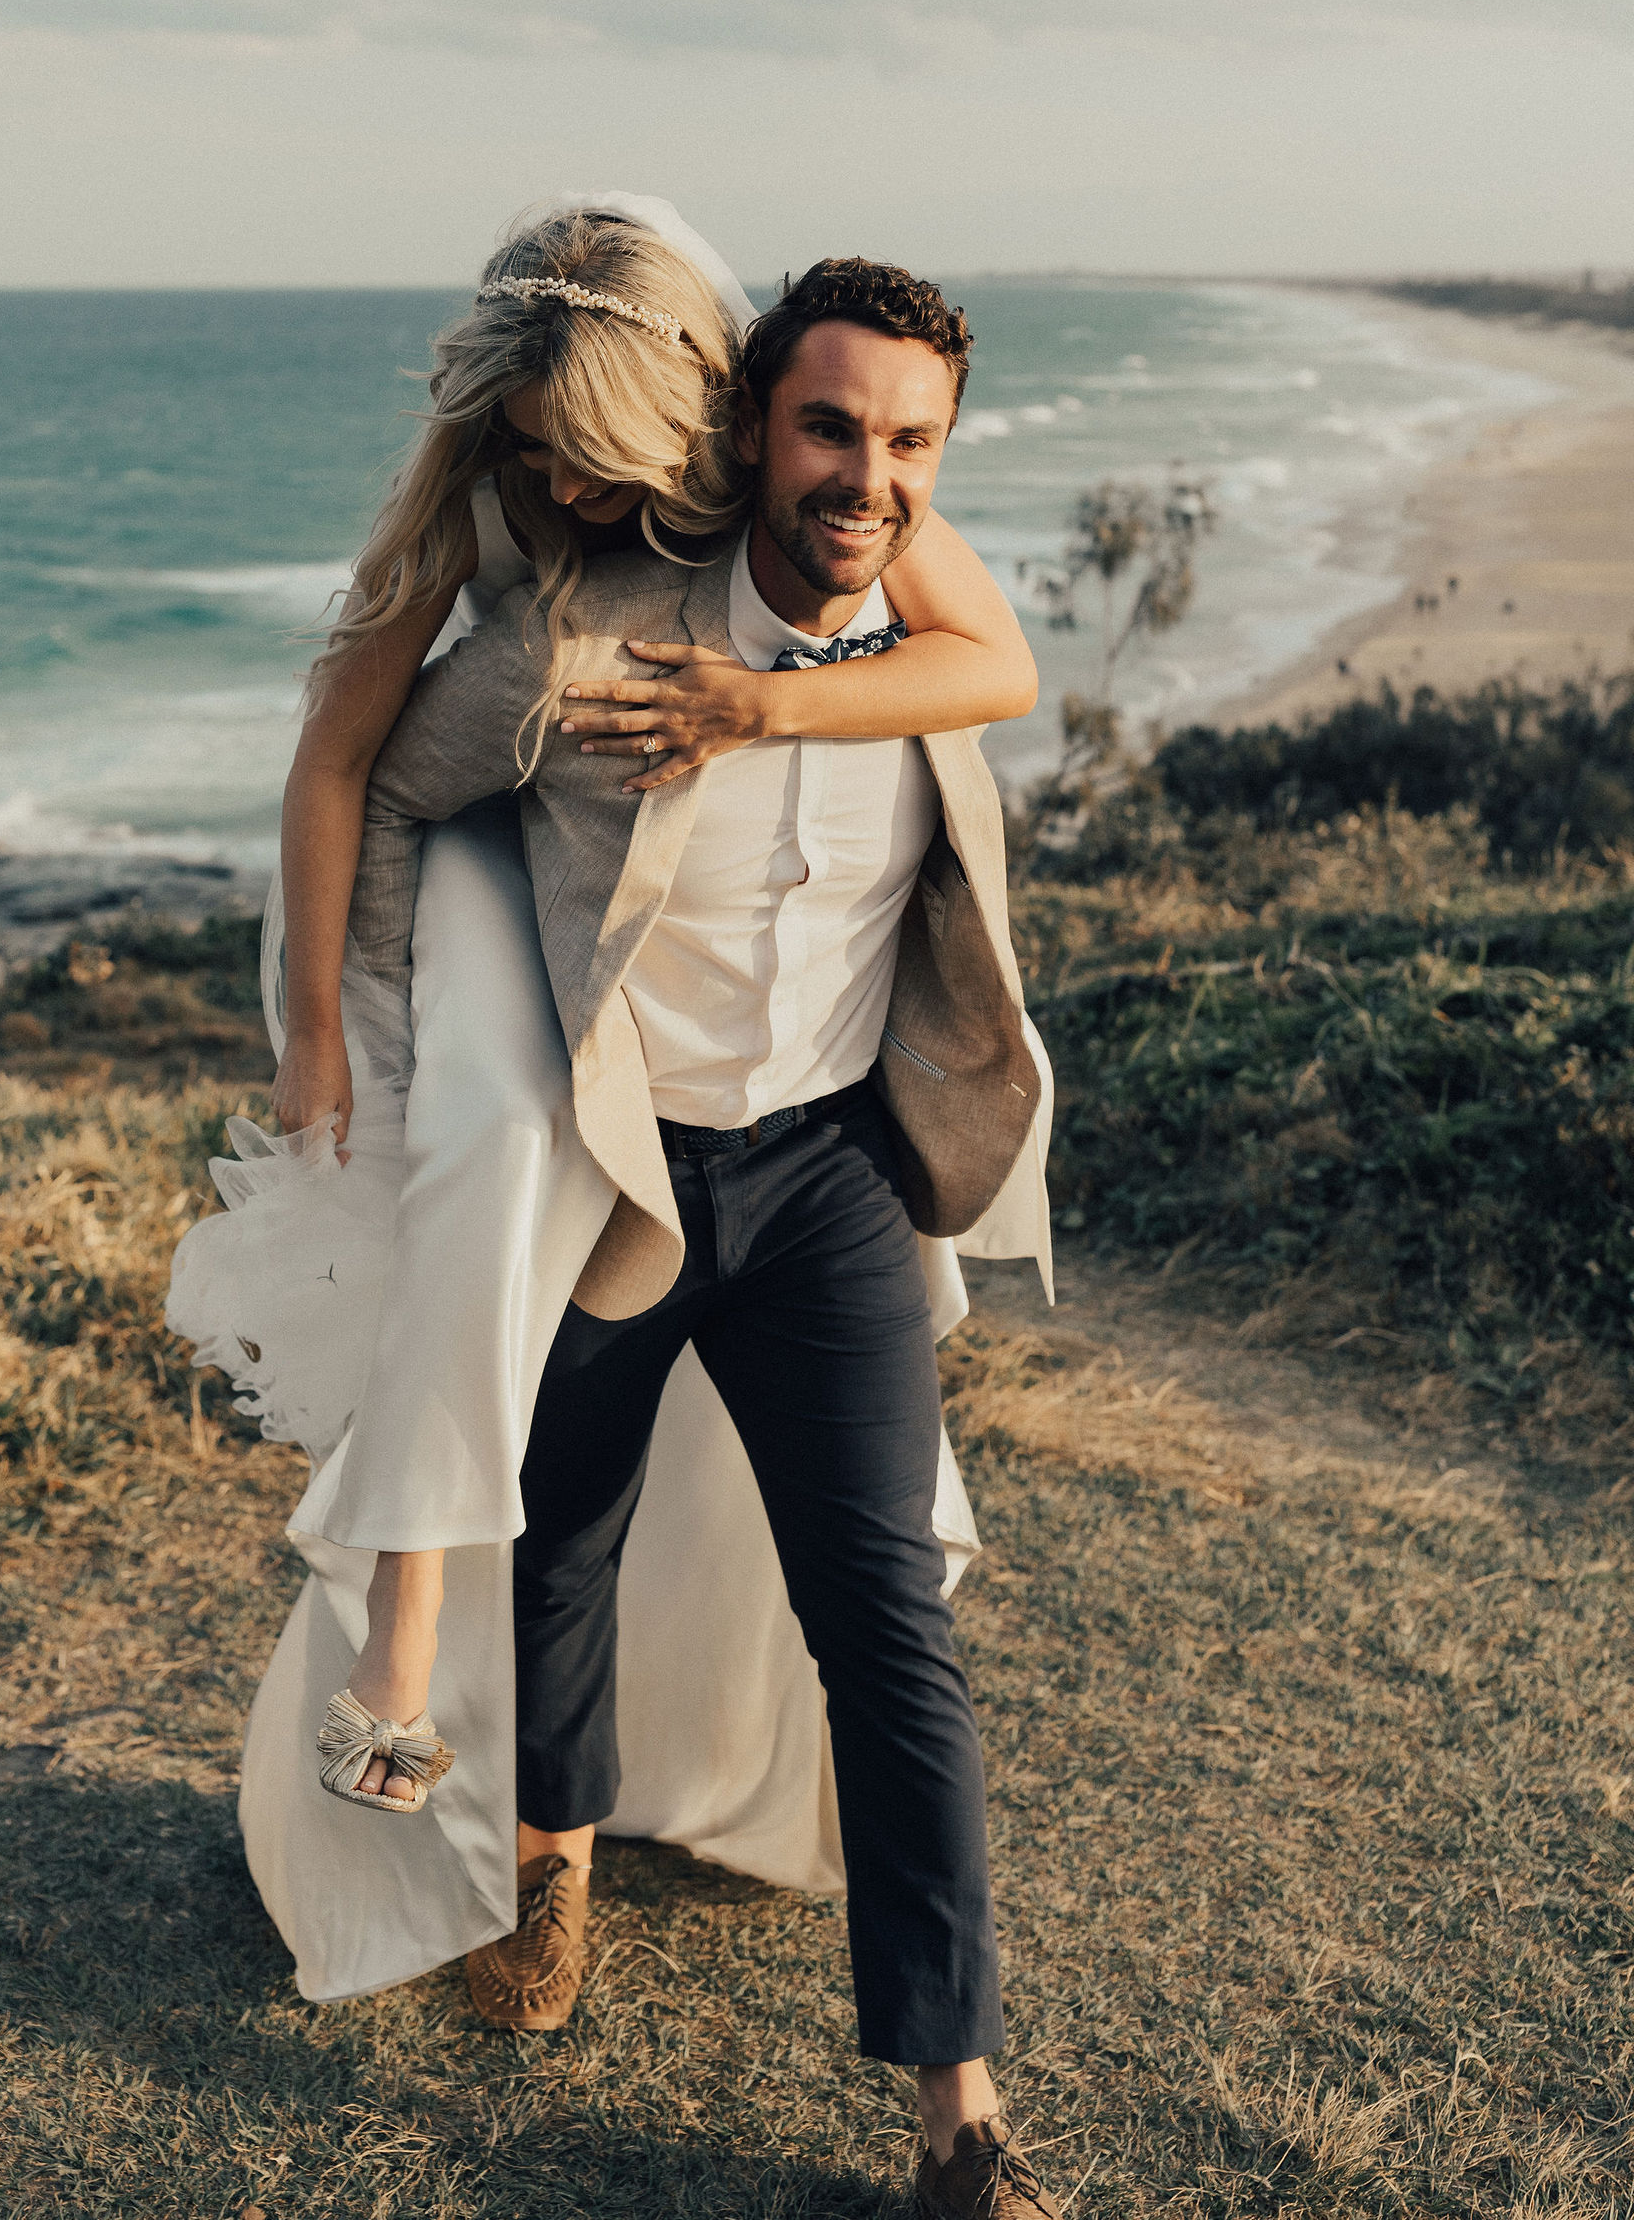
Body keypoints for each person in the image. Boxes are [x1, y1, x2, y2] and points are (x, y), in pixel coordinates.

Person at [164, 203, 1050, 2055]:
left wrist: (766, 702)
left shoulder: (856, 536)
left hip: (803, 1140)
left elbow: (995, 665)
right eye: (831, 434)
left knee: (874, 1606)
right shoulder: (522, 572)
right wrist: (343, 1038)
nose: (866, 477)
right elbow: (356, 767)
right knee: (533, 1377)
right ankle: (488, 1776)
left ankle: (950, 2091)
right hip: (559, 1007)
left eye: (905, 446)